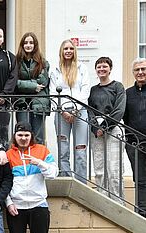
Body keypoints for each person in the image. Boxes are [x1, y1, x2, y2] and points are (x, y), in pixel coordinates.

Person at [5, 121, 58, 233]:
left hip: (39, 205)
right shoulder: (8, 154)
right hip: (16, 207)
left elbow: (53, 174)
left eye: (26, 135)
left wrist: (39, 163)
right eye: (20, 135)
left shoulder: (42, 150)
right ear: (15, 136)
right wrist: (9, 203)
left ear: (31, 135)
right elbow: (3, 182)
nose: (23, 138)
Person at [49, 39, 90, 183]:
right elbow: (53, 92)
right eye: (65, 48)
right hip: (62, 114)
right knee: (63, 149)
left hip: (80, 113)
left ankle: (81, 184)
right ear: (61, 51)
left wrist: (76, 110)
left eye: (71, 49)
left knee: (80, 151)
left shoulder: (82, 68)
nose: (68, 51)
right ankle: (66, 180)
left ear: (74, 51)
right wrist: (63, 111)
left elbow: (85, 90)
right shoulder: (55, 70)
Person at [88, 57, 126, 204]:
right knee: (99, 168)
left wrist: (105, 126)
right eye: (99, 67)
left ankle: (118, 203)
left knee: (114, 167)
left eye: (104, 66)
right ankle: (102, 201)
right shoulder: (93, 90)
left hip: (113, 128)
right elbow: (90, 110)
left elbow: (119, 109)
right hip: (96, 130)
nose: (101, 69)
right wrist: (95, 127)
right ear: (96, 70)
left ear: (110, 68)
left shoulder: (118, 87)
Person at [15, 32, 50, 144]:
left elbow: (43, 81)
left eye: (31, 42)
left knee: (38, 137)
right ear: (22, 45)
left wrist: (24, 84)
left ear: (35, 45)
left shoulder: (43, 62)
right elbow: (14, 82)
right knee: (22, 136)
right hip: (22, 102)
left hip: (39, 102)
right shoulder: (15, 62)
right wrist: (34, 86)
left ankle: (39, 161)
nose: (28, 45)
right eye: (25, 43)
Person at [123, 57, 146, 217]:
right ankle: (142, 213)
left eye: (143, 69)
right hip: (134, 143)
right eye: (137, 70)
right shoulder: (127, 93)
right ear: (133, 73)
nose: (140, 72)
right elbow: (121, 115)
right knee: (140, 180)